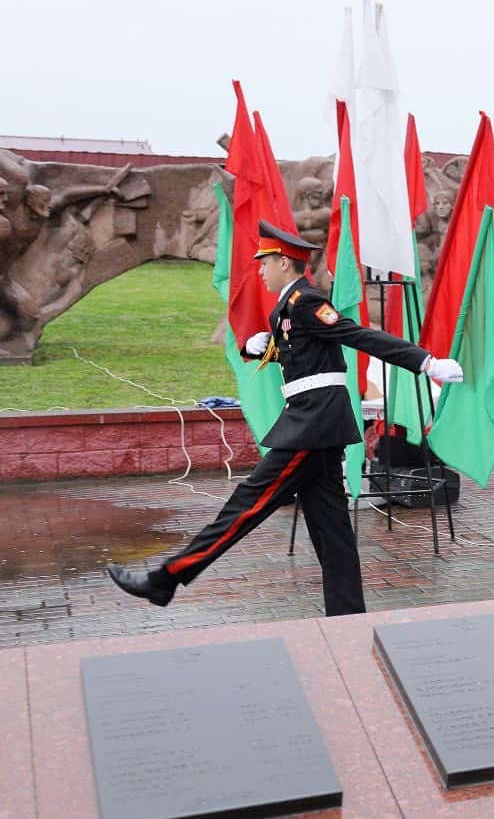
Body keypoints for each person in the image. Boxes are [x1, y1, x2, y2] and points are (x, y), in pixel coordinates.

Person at [106, 220, 464, 615]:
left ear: (283, 262)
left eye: (264, 262)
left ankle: (166, 579)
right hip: (314, 423)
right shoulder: (288, 306)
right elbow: (305, 353)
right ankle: (348, 618)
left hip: (311, 426)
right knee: (333, 534)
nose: (259, 270)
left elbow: (357, 335)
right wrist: (258, 347)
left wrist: (424, 361)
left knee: (246, 505)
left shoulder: (307, 302)